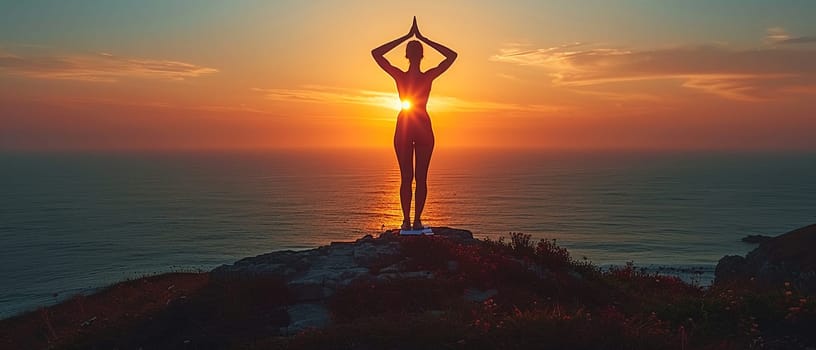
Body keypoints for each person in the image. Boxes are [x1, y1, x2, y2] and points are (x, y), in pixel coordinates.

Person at [371, 17, 457, 231]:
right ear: (421, 56)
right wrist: (422, 38)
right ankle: (414, 220)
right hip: (421, 125)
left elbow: (376, 54)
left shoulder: (400, 75)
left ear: (407, 55)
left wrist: (407, 37)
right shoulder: (427, 76)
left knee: (407, 178)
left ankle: (408, 220)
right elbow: (451, 56)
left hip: (405, 125)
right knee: (419, 178)